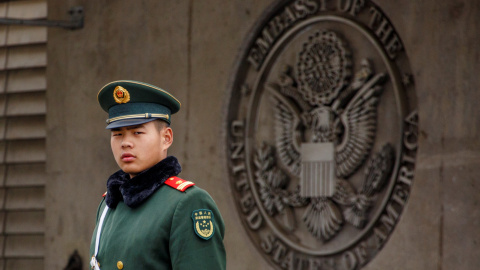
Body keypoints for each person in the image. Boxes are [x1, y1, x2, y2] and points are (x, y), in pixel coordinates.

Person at [89, 80, 226, 270]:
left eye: (137, 132)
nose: (125, 143)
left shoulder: (187, 204)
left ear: (166, 138)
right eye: (117, 134)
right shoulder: (108, 205)